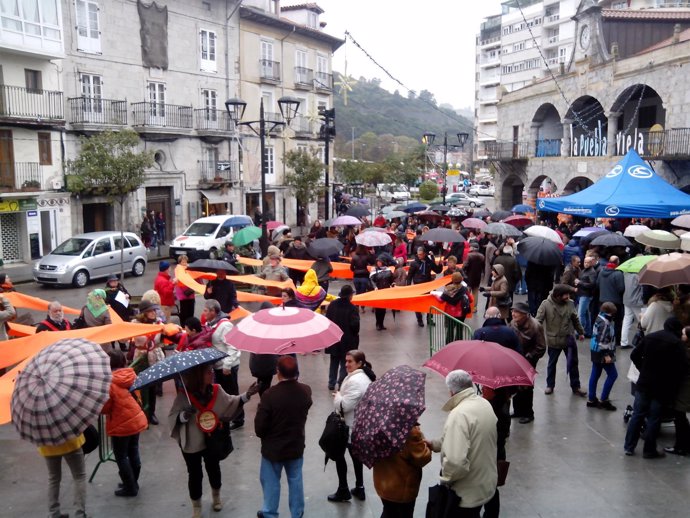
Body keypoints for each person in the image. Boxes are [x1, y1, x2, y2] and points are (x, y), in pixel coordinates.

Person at [169, 364, 259, 517]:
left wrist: (247, 395)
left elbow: (231, 402)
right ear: (198, 376)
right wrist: (184, 415)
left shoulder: (217, 390)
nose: (212, 374)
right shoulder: (184, 395)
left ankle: (216, 497)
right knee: (194, 473)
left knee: (213, 468)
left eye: (212, 370)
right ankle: (196, 506)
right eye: (208, 372)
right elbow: (173, 417)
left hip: (213, 439)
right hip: (192, 440)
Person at [426, 370, 499, 517]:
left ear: (452, 391)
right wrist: (434, 444)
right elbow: (471, 438)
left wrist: (445, 480)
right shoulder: (484, 403)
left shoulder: (459, 415)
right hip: (485, 483)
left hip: (466, 493)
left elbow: (455, 462)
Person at [254, 355, 313, 518]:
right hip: (295, 445)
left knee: (271, 483)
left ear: (277, 372)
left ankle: (269, 513)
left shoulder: (269, 395)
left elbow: (260, 428)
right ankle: (297, 513)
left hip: (273, 449)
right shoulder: (306, 390)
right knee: (296, 481)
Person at [624, 317, 688, 457]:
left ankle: (629, 446)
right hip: (662, 387)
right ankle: (649, 450)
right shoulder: (676, 344)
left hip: (644, 383)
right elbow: (682, 367)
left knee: (637, 415)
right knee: (654, 418)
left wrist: (643, 368)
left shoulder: (651, 337)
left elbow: (634, 355)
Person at [329, 350, 376, 503]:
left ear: (360, 363)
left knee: (339, 456)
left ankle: (343, 489)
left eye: (350, 361)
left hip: (349, 426)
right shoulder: (362, 377)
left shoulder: (356, 381)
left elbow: (344, 405)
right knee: (355, 457)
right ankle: (359, 487)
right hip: (356, 425)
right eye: (346, 361)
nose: (346, 364)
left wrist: (337, 396)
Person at [101, 349, 148, 497]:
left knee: (121, 455)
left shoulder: (109, 382)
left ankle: (130, 486)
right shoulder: (131, 375)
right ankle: (133, 481)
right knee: (133, 450)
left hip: (121, 423)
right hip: (136, 418)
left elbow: (107, 407)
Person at [536, 284, 587, 396]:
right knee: (552, 364)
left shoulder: (570, 303)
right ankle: (550, 385)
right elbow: (538, 321)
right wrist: (536, 336)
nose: (568, 296)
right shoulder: (546, 304)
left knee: (573, 364)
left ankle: (576, 386)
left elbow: (575, 319)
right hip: (554, 341)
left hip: (569, 340)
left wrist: (581, 332)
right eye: (565, 294)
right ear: (558, 296)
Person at [373, 424, 432, 518]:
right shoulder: (409, 429)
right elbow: (423, 458)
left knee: (389, 511)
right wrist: (423, 442)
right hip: (401, 489)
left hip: (383, 484)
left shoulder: (377, 425)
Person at [202, 299, 243, 430]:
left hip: (227, 367)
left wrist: (227, 365)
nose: (203, 313)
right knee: (223, 394)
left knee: (232, 393)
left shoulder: (225, 326)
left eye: (206, 310)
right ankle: (227, 416)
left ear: (213, 311)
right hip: (217, 366)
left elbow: (233, 346)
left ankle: (238, 418)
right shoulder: (210, 323)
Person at [510, 302, 546, 423]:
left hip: (527, 362)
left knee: (526, 388)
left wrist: (529, 357)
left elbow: (541, 347)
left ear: (525, 314)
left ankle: (528, 413)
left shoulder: (535, 326)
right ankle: (517, 410)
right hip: (515, 360)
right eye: (513, 311)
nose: (513, 314)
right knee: (515, 386)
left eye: (516, 312)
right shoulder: (513, 323)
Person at [38, 430, 87, 518]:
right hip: (70, 441)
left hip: (48, 445)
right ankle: (80, 514)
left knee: (53, 479)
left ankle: (54, 513)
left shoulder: (37, 416)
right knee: (79, 477)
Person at [325, 285, 360, 390]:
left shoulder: (332, 305)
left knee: (334, 360)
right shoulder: (352, 308)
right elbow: (355, 325)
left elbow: (327, 320)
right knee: (345, 362)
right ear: (349, 295)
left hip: (334, 338)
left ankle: (331, 382)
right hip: (347, 340)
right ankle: (341, 383)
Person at [587, 302, 619, 411]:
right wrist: (606, 355)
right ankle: (604, 400)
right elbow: (602, 340)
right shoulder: (605, 323)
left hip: (595, 350)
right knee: (613, 375)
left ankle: (591, 399)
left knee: (595, 373)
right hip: (602, 352)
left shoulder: (599, 317)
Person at [666, 325, 690, 456]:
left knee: (679, 418)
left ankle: (681, 446)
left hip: (683, 390)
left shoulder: (684, 353)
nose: (681, 336)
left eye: (684, 334)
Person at [250, 302, 280, 396]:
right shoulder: (270, 327)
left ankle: (263, 399)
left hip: (256, 362)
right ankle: (264, 401)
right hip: (267, 362)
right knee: (266, 383)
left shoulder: (255, 324)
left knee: (261, 381)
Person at [408, 247, 442, 327]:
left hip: (428, 285)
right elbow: (409, 276)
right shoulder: (414, 263)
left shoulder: (429, 262)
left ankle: (429, 319)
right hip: (418, 286)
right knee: (418, 304)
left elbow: (437, 271)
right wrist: (408, 287)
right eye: (418, 254)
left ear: (424, 254)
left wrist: (440, 264)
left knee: (430, 303)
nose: (419, 256)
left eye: (421, 254)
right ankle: (419, 319)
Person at [434, 271, 473, 342]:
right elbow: (471, 299)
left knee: (450, 329)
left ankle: (449, 343)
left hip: (450, 313)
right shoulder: (464, 289)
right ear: (461, 279)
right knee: (459, 329)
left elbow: (441, 300)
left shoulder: (448, 289)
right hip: (462, 313)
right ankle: (458, 343)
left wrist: (435, 295)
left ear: (452, 280)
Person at [596, 255, 625, 346]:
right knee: (617, 322)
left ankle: (602, 337)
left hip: (603, 301)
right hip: (615, 302)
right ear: (617, 263)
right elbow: (621, 288)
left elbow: (597, 284)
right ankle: (617, 341)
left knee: (603, 320)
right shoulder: (618, 274)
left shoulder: (601, 271)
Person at [621, 269, 644, 349]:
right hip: (636, 301)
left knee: (626, 320)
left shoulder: (625, 274)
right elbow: (642, 288)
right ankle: (644, 340)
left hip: (626, 299)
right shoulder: (639, 275)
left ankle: (623, 342)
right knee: (642, 320)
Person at [369, 257, 394, 330]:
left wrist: (392, 284)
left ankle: (381, 324)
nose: (378, 263)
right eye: (377, 262)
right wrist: (375, 287)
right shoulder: (375, 270)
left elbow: (391, 280)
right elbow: (371, 280)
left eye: (380, 262)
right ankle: (378, 323)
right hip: (378, 291)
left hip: (385, 291)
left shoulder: (388, 270)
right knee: (378, 308)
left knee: (383, 309)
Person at [577, 255, 598, 337]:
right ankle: (588, 331)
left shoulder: (592, 272)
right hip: (582, 293)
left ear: (591, 263)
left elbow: (592, 284)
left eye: (588, 262)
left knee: (580, 314)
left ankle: (580, 331)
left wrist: (580, 283)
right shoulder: (584, 270)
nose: (586, 264)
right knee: (585, 313)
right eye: (585, 262)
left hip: (586, 295)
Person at [462, 242, 484, 314]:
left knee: (467, 292)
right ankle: (474, 307)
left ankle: (467, 306)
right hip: (477, 277)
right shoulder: (482, 256)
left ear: (473, 248)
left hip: (469, 276)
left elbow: (465, 266)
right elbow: (483, 267)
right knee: (475, 292)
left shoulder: (469, 255)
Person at [174, 256, 196, 326]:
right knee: (184, 313)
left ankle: (190, 326)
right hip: (183, 296)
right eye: (183, 262)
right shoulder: (178, 270)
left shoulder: (189, 270)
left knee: (191, 312)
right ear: (179, 262)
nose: (185, 263)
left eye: (186, 261)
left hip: (191, 295)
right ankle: (184, 326)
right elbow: (181, 282)